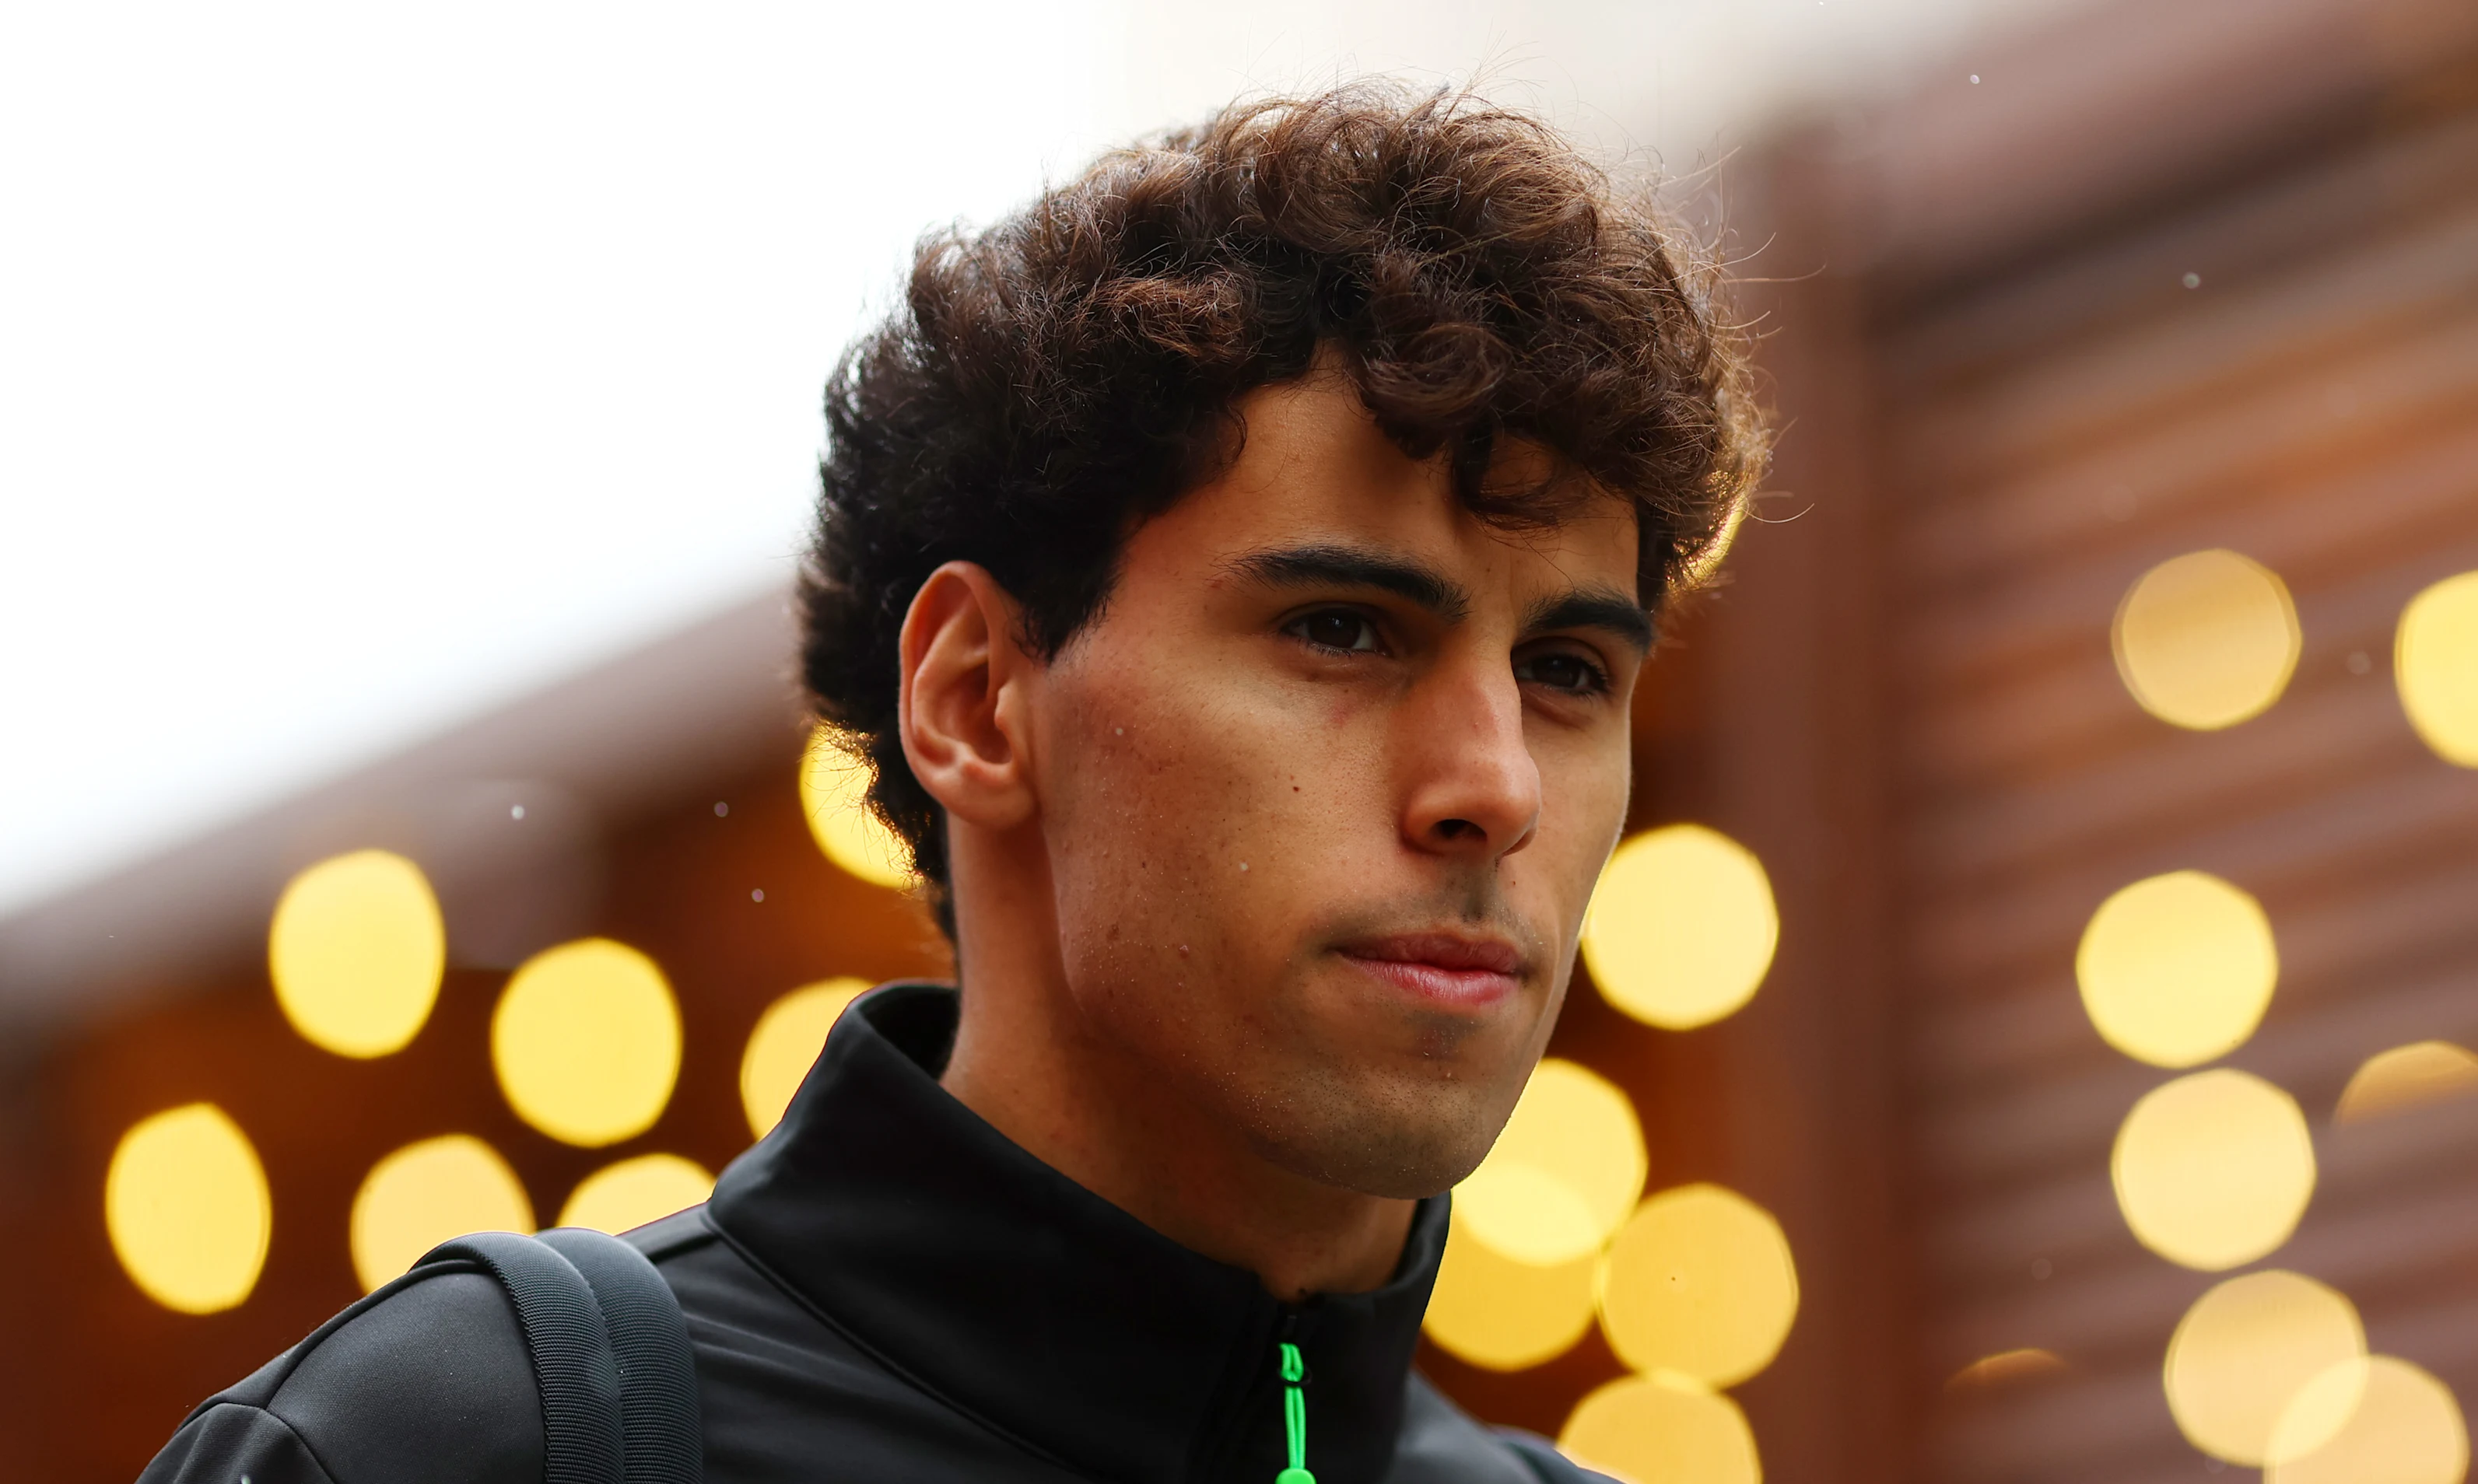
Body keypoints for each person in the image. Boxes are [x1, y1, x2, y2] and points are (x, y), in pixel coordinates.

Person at [138, 83, 1760, 1484]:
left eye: (1567, 671)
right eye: (1342, 630)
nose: (1494, 787)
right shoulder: (451, 1445)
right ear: (977, 700)